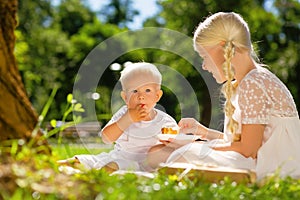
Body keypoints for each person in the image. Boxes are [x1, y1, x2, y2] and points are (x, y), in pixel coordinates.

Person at [147, 12, 300, 180]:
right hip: (254, 159)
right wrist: (203, 133)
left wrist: (197, 145)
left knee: (174, 155)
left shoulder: (253, 83)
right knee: (157, 152)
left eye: (204, 56)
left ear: (223, 47)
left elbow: (248, 149)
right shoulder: (250, 80)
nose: (204, 66)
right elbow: (244, 140)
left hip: (268, 168)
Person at [58, 62, 178, 172]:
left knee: (113, 166)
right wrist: (127, 119)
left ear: (157, 96)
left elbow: (177, 145)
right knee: (82, 160)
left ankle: (92, 179)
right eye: (135, 91)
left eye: (147, 90)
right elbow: (106, 138)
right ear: (125, 97)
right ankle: (50, 165)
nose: (141, 96)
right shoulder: (124, 114)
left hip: (139, 165)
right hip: (116, 157)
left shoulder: (165, 121)